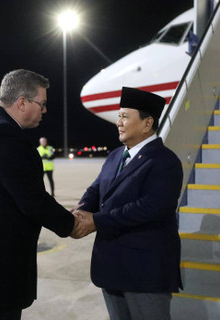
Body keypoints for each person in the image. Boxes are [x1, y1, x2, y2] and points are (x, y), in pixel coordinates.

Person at [0, 69, 87, 320]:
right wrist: (72, 224)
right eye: (42, 104)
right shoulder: (2, 134)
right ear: (22, 102)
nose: (45, 110)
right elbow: (31, 200)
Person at [74, 87, 184, 320]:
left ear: (147, 123)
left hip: (144, 271)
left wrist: (96, 220)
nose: (118, 122)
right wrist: (82, 210)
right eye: (119, 116)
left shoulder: (165, 161)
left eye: (125, 116)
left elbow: (149, 209)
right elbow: (96, 189)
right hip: (111, 267)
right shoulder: (116, 155)